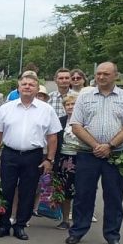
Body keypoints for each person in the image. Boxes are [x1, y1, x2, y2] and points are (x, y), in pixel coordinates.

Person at [66, 62, 123, 244]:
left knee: (114, 196)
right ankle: (77, 231)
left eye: (106, 74)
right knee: (83, 194)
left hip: (115, 155)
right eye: (98, 73)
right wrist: (96, 146)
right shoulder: (85, 97)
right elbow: (76, 125)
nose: (101, 77)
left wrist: (109, 145)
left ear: (116, 75)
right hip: (87, 154)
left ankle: (112, 235)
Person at [0, 74, 61, 240]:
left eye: (31, 85)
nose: (27, 87)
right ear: (18, 88)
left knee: (28, 192)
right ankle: (4, 224)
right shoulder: (7, 108)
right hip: (10, 154)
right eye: (24, 84)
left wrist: (49, 159)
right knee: (6, 190)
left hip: (33, 156)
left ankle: (20, 225)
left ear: (36, 89)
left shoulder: (46, 109)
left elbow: (52, 137)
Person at [55, 93, 80, 230]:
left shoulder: (85, 121)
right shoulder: (61, 121)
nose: (70, 107)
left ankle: (79, 220)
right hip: (64, 160)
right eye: (68, 104)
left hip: (80, 159)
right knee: (65, 191)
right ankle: (65, 220)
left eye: (73, 104)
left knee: (81, 190)